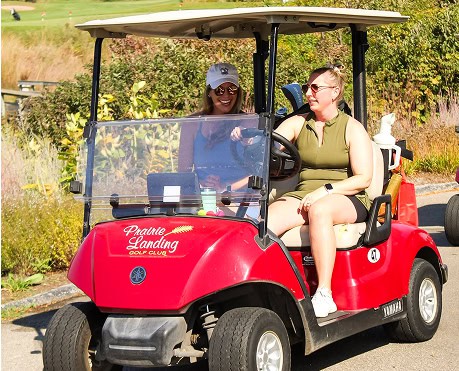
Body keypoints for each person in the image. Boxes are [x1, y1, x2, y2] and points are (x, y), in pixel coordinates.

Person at [268, 65, 373, 317]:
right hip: (304, 193)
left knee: (320, 210)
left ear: (335, 92)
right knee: (263, 222)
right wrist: (250, 141)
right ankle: (269, 288)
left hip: (347, 196)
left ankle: (324, 293)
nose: (308, 93)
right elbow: (268, 144)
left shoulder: (351, 128)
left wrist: (325, 191)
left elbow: (364, 178)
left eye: (315, 88)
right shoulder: (298, 123)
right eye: (307, 88)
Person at [178, 62, 249, 192]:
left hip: (242, 199)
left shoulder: (249, 123)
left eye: (231, 89)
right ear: (209, 92)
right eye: (219, 90)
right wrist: (203, 184)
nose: (226, 95)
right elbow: (183, 173)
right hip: (205, 197)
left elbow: (259, 174)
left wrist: (225, 189)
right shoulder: (192, 124)